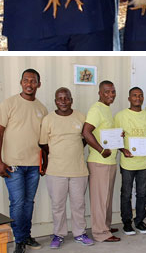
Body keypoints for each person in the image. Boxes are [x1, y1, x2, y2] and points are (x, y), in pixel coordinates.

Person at [0, 69, 49, 252]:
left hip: (34, 166)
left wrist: (44, 163)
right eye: (26, 80)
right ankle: (19, 240)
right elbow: (0, 132)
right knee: (18, 202)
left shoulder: (42, 109)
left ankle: (26, 235)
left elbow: (44, 141)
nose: (29, 84)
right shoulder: (9, 103)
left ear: (39, 84)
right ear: (21, 82)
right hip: (13, 165)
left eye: (33, 81)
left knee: (29, 202)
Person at [39, 87, 94, 249]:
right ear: (55, 101)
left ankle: (80, 233)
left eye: (66, 98)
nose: (63, 101)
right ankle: (58, 234)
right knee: (58, 205)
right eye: (59, 98)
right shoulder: (48, 119)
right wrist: (58, 154)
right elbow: (43, 144)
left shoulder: (80, 117)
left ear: (71, 100)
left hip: (78, 170)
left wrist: (73, 149)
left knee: (78, 205)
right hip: (56, 171)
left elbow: (85, 139)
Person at [82, 80, 120, 242]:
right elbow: (86, 132)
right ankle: (100, 233)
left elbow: (102, 133)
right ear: (99, 93)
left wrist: (118, 137)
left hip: (109, 162)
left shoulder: (106, 109)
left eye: (113, 91)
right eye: (107, 92)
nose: (110, 95)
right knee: (100, 199)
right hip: (100, 161)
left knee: (106, 197)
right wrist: (101, 150)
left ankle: (105, 225)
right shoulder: (96, 109)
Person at [114, 87, 146, 236]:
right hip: (128, 162)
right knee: (126, 194)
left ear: (143, 98)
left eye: (140, 95)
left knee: (142, 194)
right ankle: (126, 222)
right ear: (129, 98)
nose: (138, 98)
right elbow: (115, 137)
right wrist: (122, 149)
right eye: (134, 95)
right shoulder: (120, 116)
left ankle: (140, 221)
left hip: (144, 163)